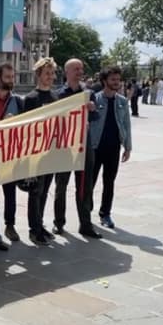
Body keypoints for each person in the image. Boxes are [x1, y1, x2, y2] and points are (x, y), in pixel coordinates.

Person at [54, 58, 103, 239]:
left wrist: (93, 109)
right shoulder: (58, 95)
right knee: (61, 185)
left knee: (85, 186)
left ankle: (85, 224)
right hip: (65, 146)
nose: (80, 72)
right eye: (76, 69)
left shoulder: (88, 93)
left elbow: (95, 117)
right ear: (67, 72)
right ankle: (59, 223)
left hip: (84, 145)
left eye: (81, 69)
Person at [22, 57, 60, 245]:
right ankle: (33, 229)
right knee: (35, 191)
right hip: (36, 152)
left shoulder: (55, 97)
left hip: (51, 152)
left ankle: (40, 223)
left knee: (45, 191)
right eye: (47, 73)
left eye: (52, 73)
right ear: (38, 75)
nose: (50, 77)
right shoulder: (31, 98)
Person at [91, 66, 132, 229]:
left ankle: (105, 213)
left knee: (109, 182)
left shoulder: (122, 101)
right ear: (104, 81)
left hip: (113, 147)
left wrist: (127, 147)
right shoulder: (95, 99)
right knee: (90, 182)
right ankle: (86, 211)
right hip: (95, 147)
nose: (117, 82)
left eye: (118, 79)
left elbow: (126, 125)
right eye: (113, 79)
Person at [0, 63, 24, 244]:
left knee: (10, 192)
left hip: (10, 154)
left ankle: (10, 225)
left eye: (12, 77)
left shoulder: (18, 101)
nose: (11, 80)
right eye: (7, 77)